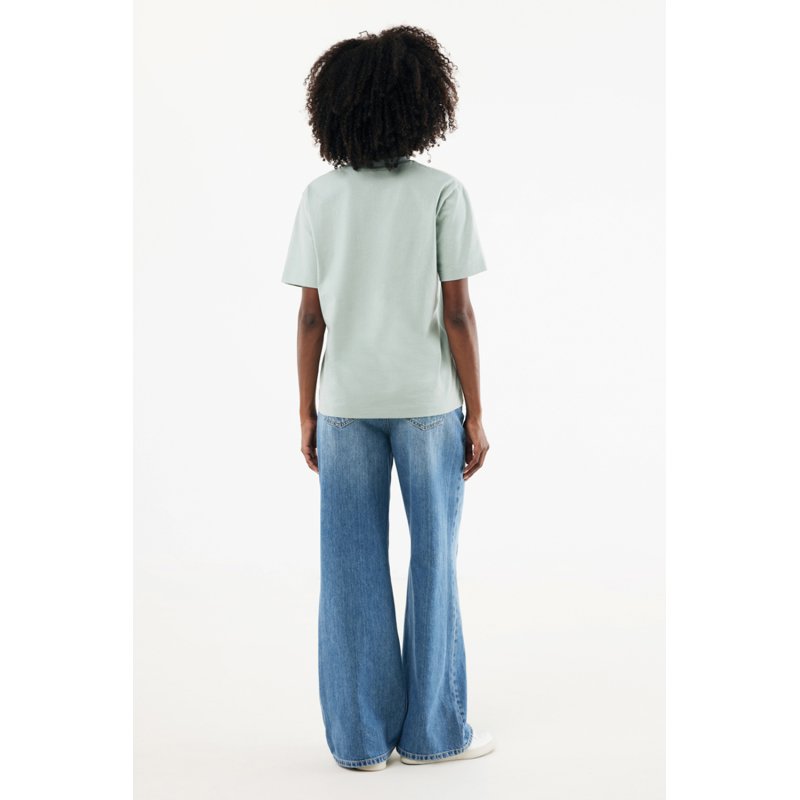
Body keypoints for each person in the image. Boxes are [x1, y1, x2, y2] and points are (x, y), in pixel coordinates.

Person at [281, 25, 494, 771]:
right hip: (427, 404)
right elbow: (458, 314)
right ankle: (434, 733)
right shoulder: (441, 193)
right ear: (423, 105)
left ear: (334, 108)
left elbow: (310, 317)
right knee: (434, 560)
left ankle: (361, 743)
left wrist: (306, 410)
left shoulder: (320, 197)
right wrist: (477, 412)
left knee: (348, 567)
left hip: (344, 404)